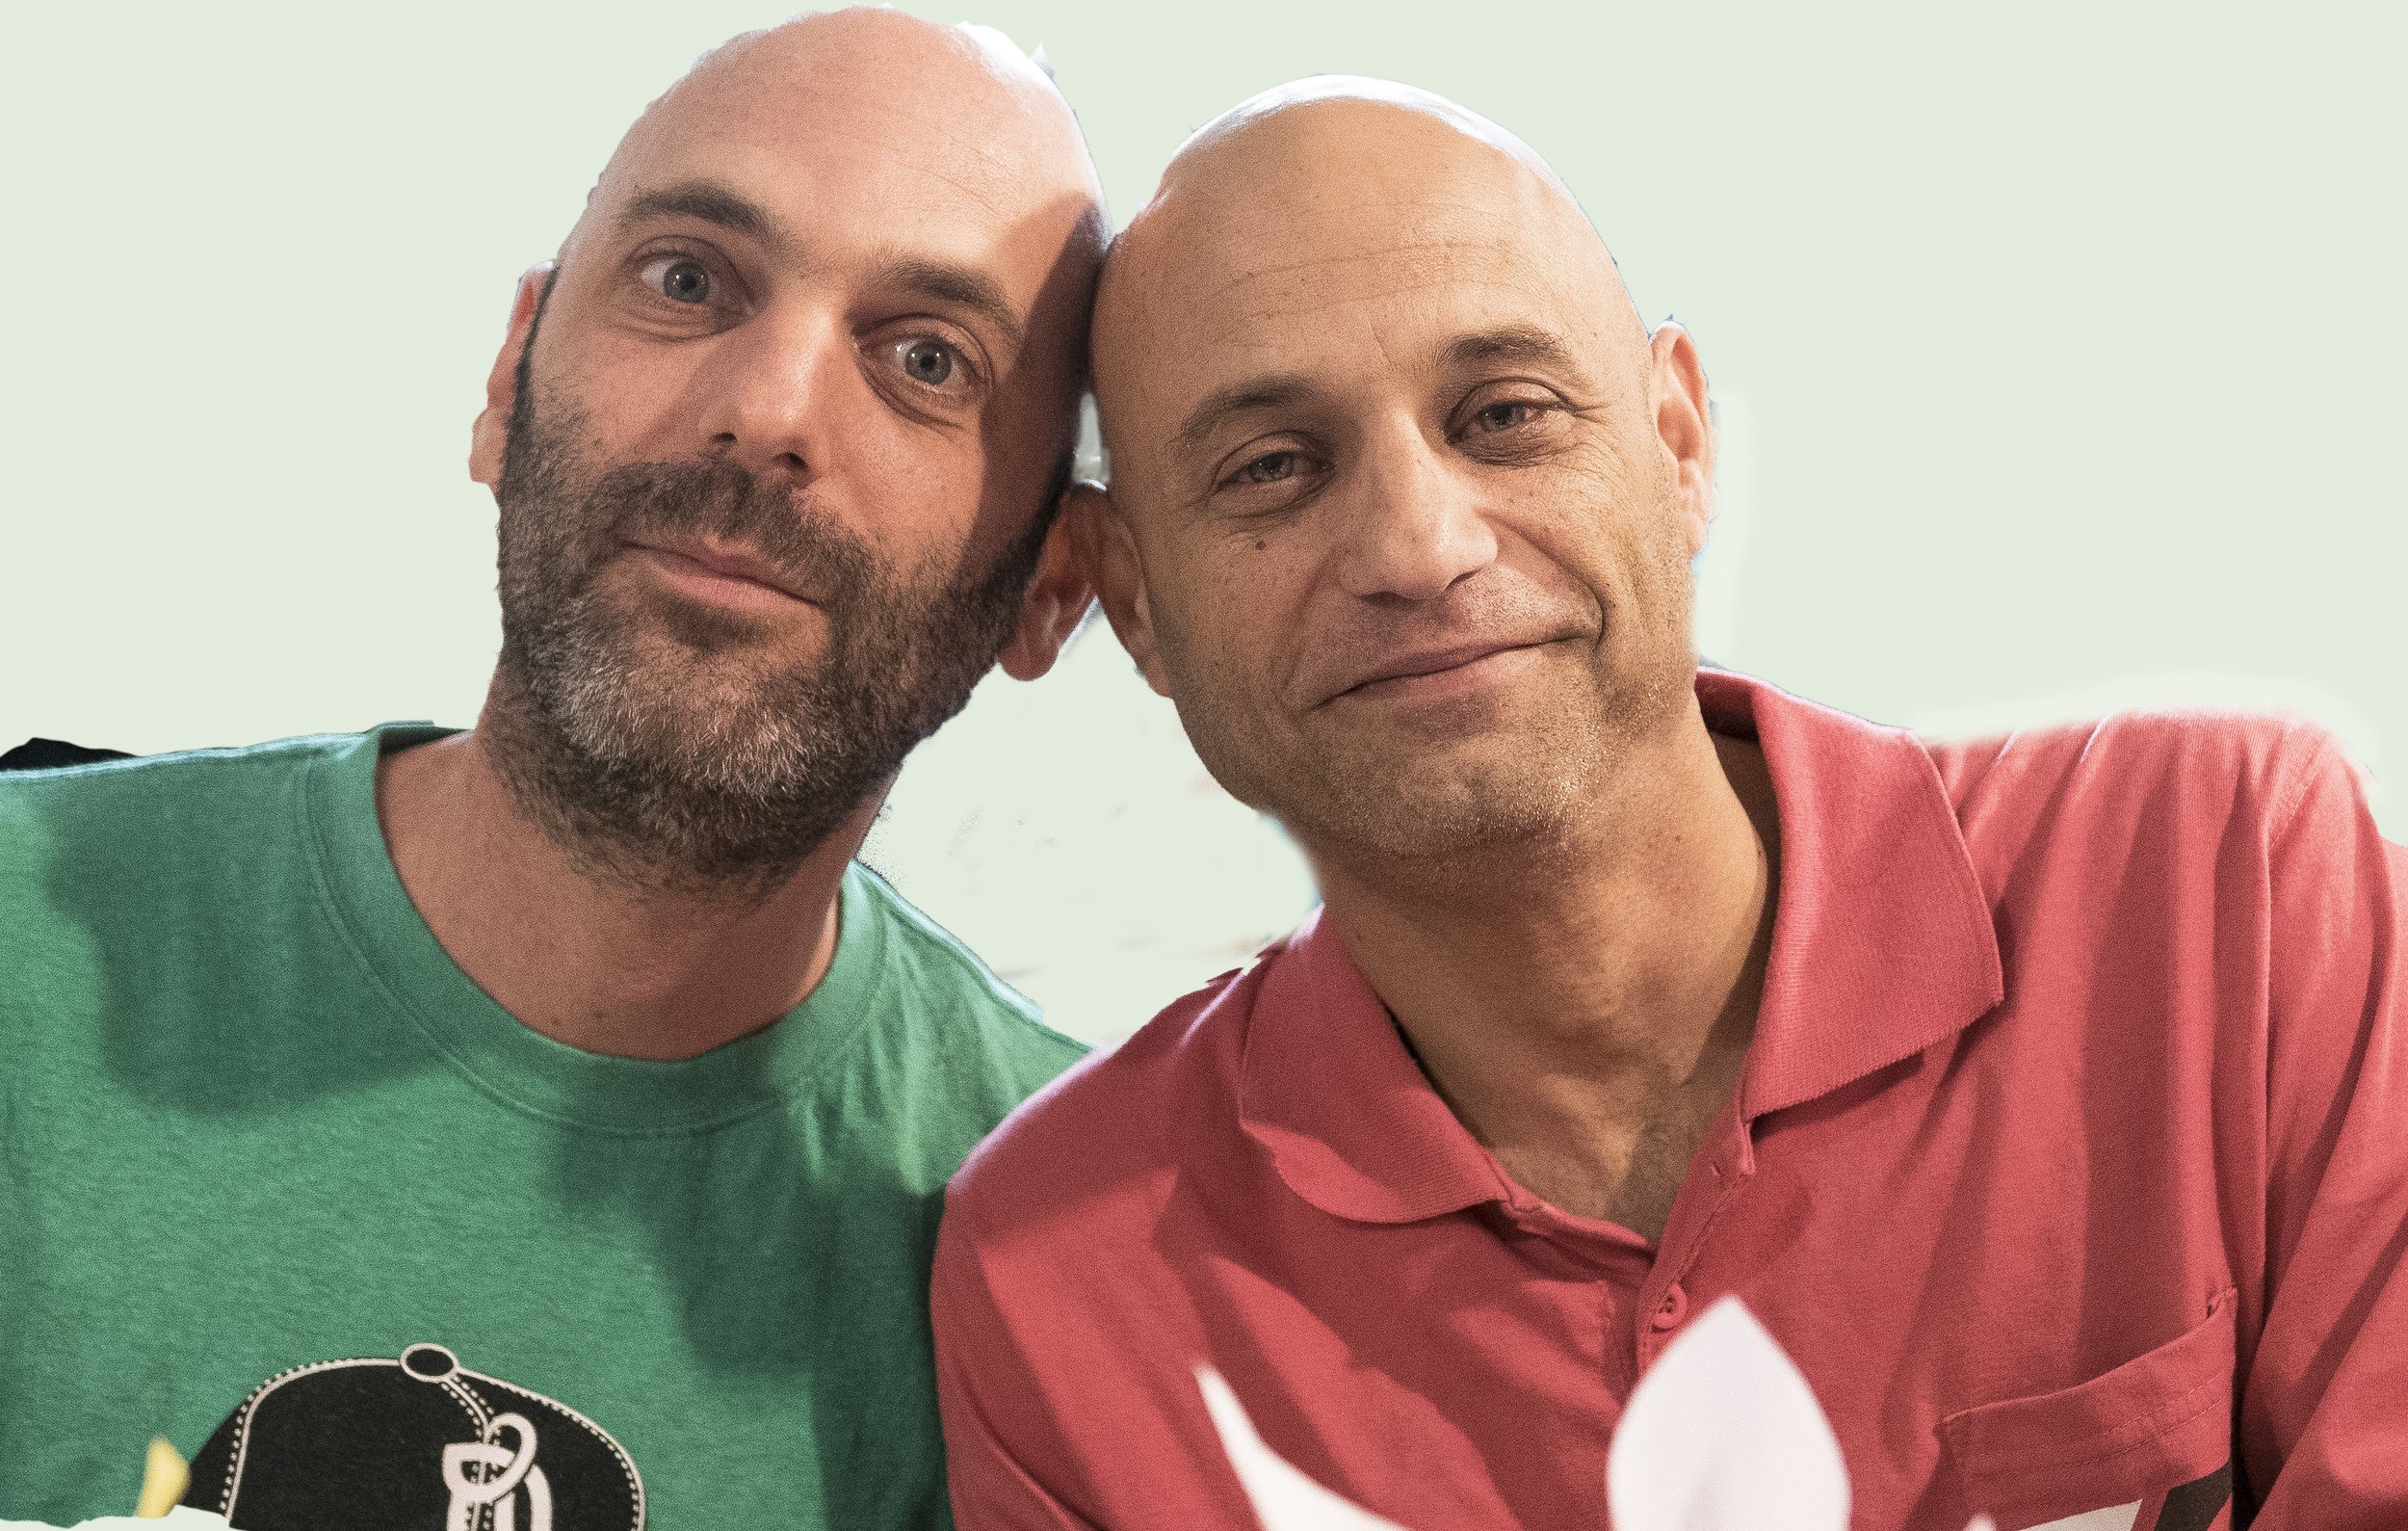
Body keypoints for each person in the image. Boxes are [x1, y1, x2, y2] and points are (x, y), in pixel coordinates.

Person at [929, 78, 2407, 1531]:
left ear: (1679, 446)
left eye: (1504, 415)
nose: (1419, 546)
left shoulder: (2228, 882)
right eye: (1271, 467)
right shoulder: (1063, 1281)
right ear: (1133, 599)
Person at [0, 11, 1105, 1527]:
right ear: (511, 369)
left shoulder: (1087, 1259)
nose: (768, 409)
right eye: (688, 280)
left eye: (927, 359)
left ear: (1053, 583)